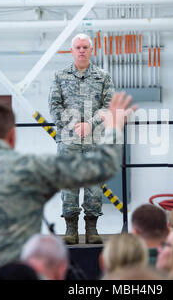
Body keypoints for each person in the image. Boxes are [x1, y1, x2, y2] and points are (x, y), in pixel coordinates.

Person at [0, 93, 136, 269]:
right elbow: (103, 166)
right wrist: (113, 126)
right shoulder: (31, 169)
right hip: (16, 274)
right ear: (12, 135)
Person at [49, 33, 115, 245]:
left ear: (91, 50)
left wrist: (90, 125)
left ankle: (92, 228)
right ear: (72, 50)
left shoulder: (103, 77)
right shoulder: (60, 76)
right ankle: (71, 229)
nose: (81, 50)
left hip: (94, 139)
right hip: (69, 140)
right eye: (77, 47)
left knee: (94, 185)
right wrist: (73, 126)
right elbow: (54, 106)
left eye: (85, 47)